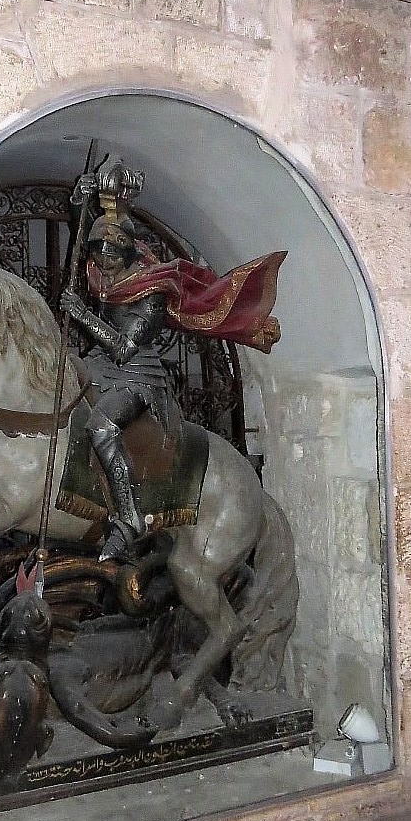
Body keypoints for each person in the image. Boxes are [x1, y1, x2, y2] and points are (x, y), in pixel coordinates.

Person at [60, 160, 286, 563]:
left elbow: (125, 348)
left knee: (101, 428)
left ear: (129, 249)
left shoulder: (153, 292)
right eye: (98, 249)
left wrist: (82, 316)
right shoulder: (104, 276)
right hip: (100, 363)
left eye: (113, 250)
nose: (104, 258)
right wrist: (82, 199)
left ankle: (129, 519)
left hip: (136, 377)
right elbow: (86, 225)